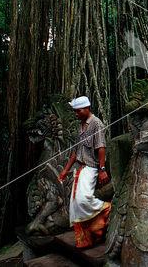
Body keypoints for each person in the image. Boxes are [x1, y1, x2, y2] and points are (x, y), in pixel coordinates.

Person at [58, 96, 111, 248]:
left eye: (78, 111)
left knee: (83, 200)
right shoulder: (80, 126)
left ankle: (106, 208)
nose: (76, 114)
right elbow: (76, 152)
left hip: (91, 167)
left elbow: (101, 147)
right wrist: (65, 171)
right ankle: (87, 239)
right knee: (75, 206)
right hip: (79, 168)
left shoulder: (96, 123)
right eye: (74, 111)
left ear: (87, 108)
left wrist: (102, 169)